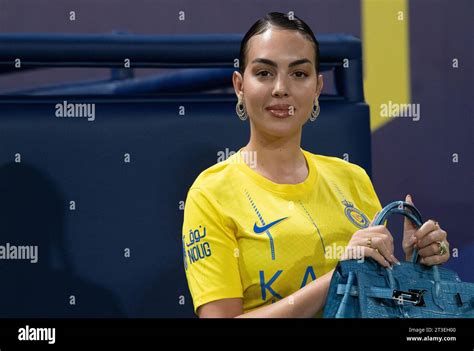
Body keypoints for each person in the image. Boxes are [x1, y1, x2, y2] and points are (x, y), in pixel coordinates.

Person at [181, 12, 450, 318]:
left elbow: (383, 300)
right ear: (240, 86)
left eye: (299, 74)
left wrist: (415, 268)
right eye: (265, 73)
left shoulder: (352, 178)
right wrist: (341, 274)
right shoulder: (210, 194)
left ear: (318, 88)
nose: (281, 88)